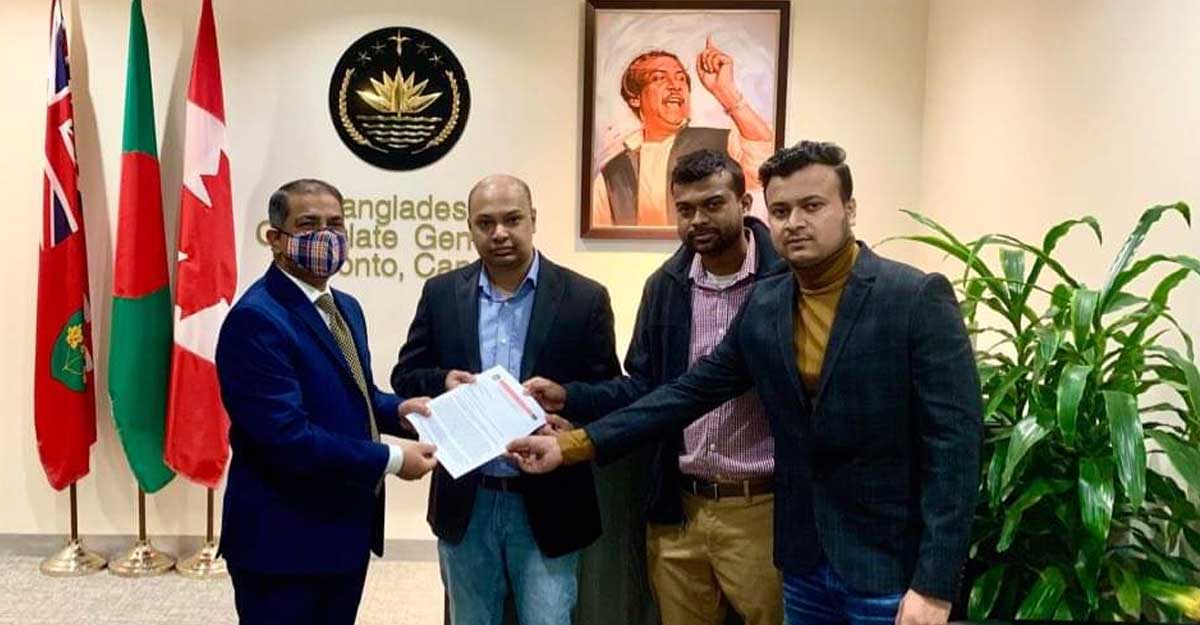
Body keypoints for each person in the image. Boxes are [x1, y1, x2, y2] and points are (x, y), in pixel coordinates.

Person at [511, 142, 984, 625]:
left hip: (886, 569)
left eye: (812, 206)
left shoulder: (913, 296)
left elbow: (955, 448)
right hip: (803, 566)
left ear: (850, 209)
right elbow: (688, 392)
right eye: (781, 210)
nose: (794, 222)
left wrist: (934, 585)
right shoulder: (767, 302)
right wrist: (570, 446)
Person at [527, 149, 787, 625]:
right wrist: (572, 397)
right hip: (679, 507)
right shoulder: (666, 285)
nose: (697, 219)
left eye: (712, 204)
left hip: (763, 508)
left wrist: (578, 443)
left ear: (745, 202)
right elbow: (646, 388)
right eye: (685, 209)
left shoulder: (784, 279)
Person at [391, 174, 621, 625]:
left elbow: (612, 391)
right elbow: (405, 376)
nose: (499, 233)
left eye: (512, 220)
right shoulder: (441, 294)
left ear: (533, 219)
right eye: (485, 223)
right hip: (467, 499)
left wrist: (568, 400)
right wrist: (442, 380)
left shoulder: (584, 297)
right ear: (470, 228)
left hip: (551, 501)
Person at [216, 178, 438, 625]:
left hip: (343, 533)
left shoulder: (344, 307)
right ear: (275, 238)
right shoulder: (256, 319)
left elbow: (356, 392)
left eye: (335, 224)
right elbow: (287, 438)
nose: (326, 236)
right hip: (282, 544)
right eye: (308, 224)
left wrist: (399, 411)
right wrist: (393, 459)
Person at [592, 36, 774, 227]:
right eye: (659, 78)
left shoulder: (719, 142)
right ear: (635, 98)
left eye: (681, 78)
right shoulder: (613, 173)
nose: (675, 85)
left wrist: (725, 91)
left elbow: (765, 161)